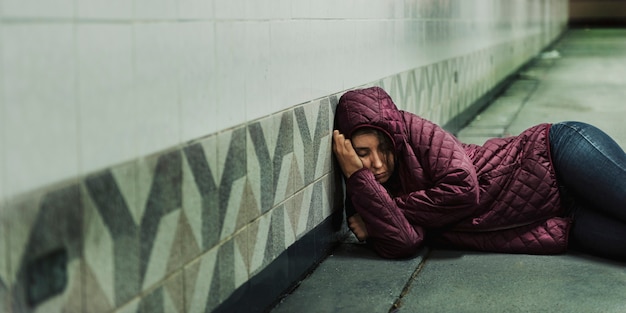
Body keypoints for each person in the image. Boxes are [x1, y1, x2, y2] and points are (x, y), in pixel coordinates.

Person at [332, 86, 626, 261]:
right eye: (362, 154)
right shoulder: (367, 194)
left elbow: (463, 189)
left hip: (557, 155)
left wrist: (385, 211)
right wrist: (363, 183)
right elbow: (405, 242)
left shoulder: (416, 133)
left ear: (394, 138)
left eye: (383, 150)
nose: (378, 164)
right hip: (561, 216)